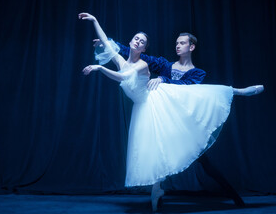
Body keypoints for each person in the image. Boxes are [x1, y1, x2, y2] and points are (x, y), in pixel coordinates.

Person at [79, 12, 263, 211]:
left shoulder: (197, 73)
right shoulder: (165, 64)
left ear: (191, 47)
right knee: (156, 148)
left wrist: (163, 79)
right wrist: (108, 41)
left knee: (204, 162)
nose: (177, 45)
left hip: (182, 120)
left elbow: (187, 90)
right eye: (176, 43)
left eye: (181, 43)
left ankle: (235, 91)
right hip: (160, 112)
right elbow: (131, 52)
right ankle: (157, 190)